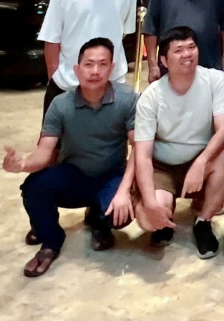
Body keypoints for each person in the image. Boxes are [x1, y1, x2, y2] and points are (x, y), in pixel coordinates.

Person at [3, 38, 137, 277]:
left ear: (112, 68)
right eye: (88, 64)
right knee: (34, 187)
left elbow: (139, 149)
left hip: (111, 174)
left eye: (102, 64)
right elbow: (45, 152)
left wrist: (125, 191)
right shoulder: (61, 104)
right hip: (74, 174)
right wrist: (22, 164)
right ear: (77, 69)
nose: (95, 71)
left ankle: (99, 221)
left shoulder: (128, 100)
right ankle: (51, 241)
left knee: (121, 215)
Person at [133, 26, 224, 259]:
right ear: (164, 61)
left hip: (202, 159)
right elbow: (143, 155)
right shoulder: (151, 96)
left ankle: (203, 222)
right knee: (148, 220)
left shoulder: (215, 80)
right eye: (178, 50)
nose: (187, 54)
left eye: (191, 47)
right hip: (163, 165)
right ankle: (164, 219)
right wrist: (149, 202)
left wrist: (202, 161)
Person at [37, 0, 137, 114]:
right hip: (68, 83)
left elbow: (123, 31)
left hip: (112, 83)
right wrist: (55, 77)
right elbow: (51, 38)